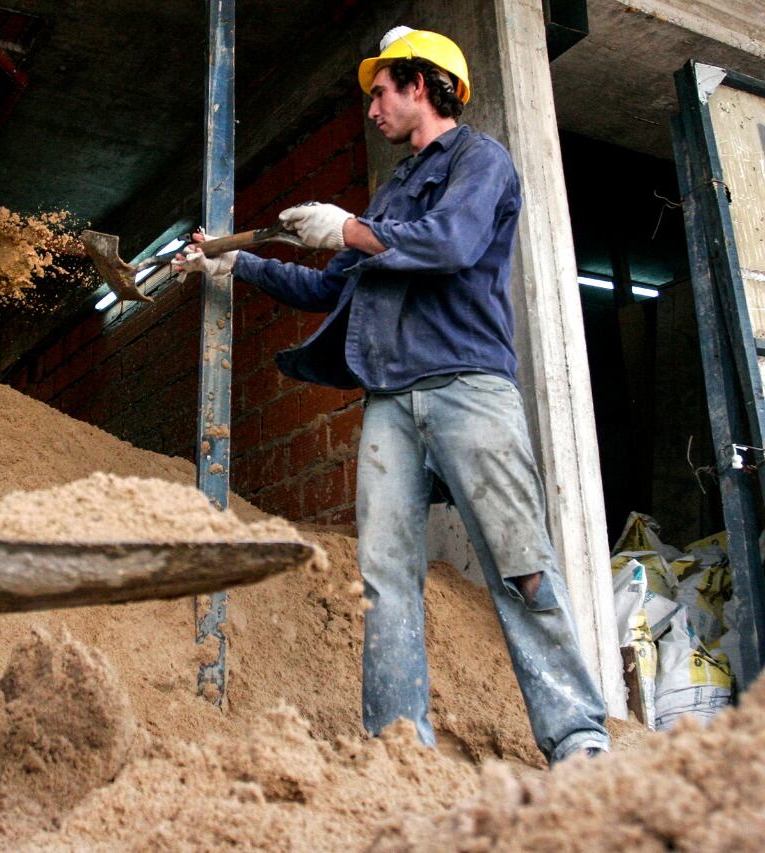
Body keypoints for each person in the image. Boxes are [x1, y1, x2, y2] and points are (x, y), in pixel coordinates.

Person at [174, 26, 611, 764]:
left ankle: (579, 738)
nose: (372, 106)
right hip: (390, 403)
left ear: (421, 85)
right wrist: (237, 265)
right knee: (385, 579)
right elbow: (325, 288)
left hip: (469, 388)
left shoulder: (482, 161)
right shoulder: (393, 190)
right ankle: (400, 743)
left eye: (381, 91)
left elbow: (450, 243)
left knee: (519, 562)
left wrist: (348, 227)